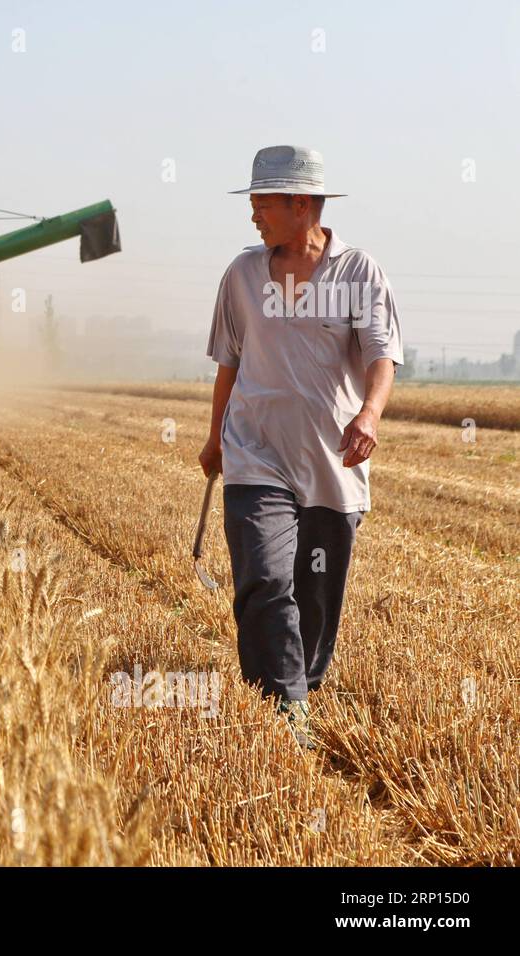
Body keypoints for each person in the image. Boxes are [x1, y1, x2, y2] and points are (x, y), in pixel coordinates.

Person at [200, 145, 404, 750]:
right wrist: (215, 438)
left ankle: (296, 687)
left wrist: (369, 413)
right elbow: (228, 365)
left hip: (331, 467)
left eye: (262, 202)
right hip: (254, 454)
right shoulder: (241, 275)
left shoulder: (357, 273)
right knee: (264, 578)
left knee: (314, 600)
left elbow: (382, 356)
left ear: (301, 203)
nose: (253, 215)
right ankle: (285, 715)